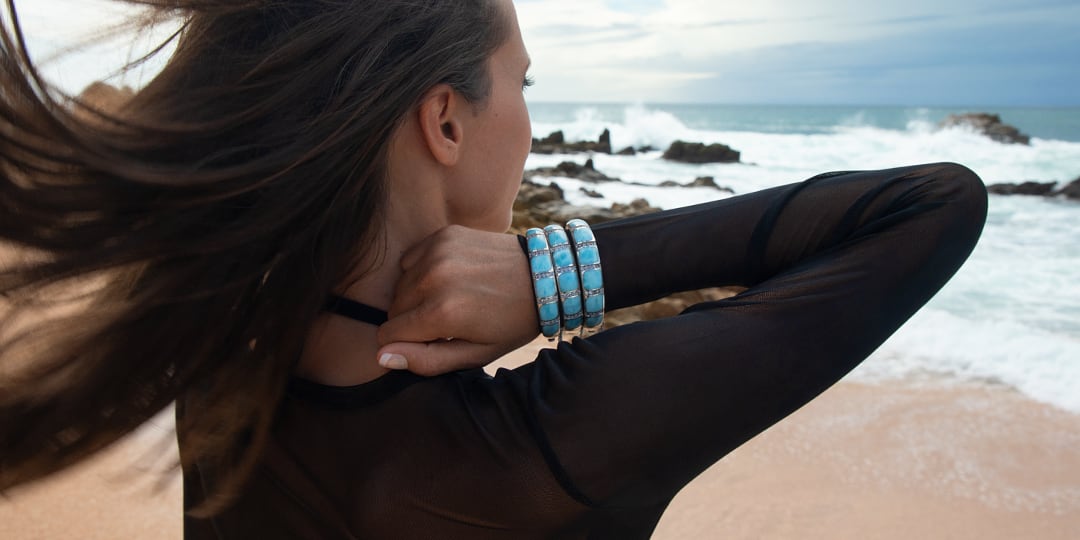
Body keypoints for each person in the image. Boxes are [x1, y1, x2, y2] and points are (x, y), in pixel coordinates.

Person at [0, 0, 987, 538]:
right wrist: (554, 273)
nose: (525, 116)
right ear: (444, 120)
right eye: (521, 82)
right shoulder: (554, 441)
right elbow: (934, 205)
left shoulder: (226, 371)